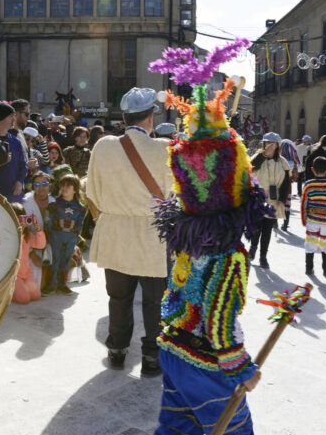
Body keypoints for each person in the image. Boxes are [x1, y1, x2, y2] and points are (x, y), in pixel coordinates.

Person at [150, 71, 268, 435]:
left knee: (176, 426)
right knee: (234, 430)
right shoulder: (229, 256)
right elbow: (219, 322)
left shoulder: (186, 239)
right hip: (206, 363)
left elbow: (174, 296)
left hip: (171, 348)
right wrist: (243, 370)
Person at [86, 87, 172, 377]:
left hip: (114, 232)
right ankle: (151, 357)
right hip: (152, 235)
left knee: (118, 297)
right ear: (151, 116)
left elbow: (92, 193)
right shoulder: (165, 149)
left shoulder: (103, 145)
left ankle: (117, 350)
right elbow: (175, 198)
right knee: (154, 301)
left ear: (123, 117)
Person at [249, 132, 291, 268]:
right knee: (257, 228)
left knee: (267, 229)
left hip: (274, 200)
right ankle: (253, 248)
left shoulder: (283, 162)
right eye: (268, 143)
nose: (271, 146)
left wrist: (282, 200)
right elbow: (250, 169)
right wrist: (263, 155)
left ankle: (263, 256)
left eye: (273, 144)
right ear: (264, 144)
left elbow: (286, 183)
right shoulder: (258, 157)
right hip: (259, 199)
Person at [44, 174, 86, 296]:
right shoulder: (54, 205)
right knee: (54, 260)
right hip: (55, 237)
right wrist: (48, 237)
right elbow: (48, 222)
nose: (64, 188)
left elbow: (80, 224)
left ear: (75, 189)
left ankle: (62, 284)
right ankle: (50, 285)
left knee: (66, 260)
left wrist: (76, 237)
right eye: (62, 185)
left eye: (68, 186)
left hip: (71, 238)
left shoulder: (81, 208)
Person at [22, 172, 55, 288]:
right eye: (37, 184)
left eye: (45, 183)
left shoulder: (54, 202)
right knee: (35, 281)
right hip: (30, 245)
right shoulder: (25, 203)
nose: (41, 188)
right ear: (33, 186)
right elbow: (22, 232)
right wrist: (31, 253)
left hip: (50, 244)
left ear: (50, 185)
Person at [0, 102, 28, 203]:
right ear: (2, 117)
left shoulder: (15, 141)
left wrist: (20, 182)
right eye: (11, 116)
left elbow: (23, 165)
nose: (14, 119)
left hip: (14, 194)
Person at [9, 204, 44, 304]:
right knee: (24, 299)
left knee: (36, 296)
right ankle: (8, 292)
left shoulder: (27, 235)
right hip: (14, 274)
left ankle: (19, 289)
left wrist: (38, 228)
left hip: (26, 273)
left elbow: (41, 245)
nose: (21, 221)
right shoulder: (8, 234)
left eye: (22, 218)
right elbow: (14, 248)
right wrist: (19, 232)